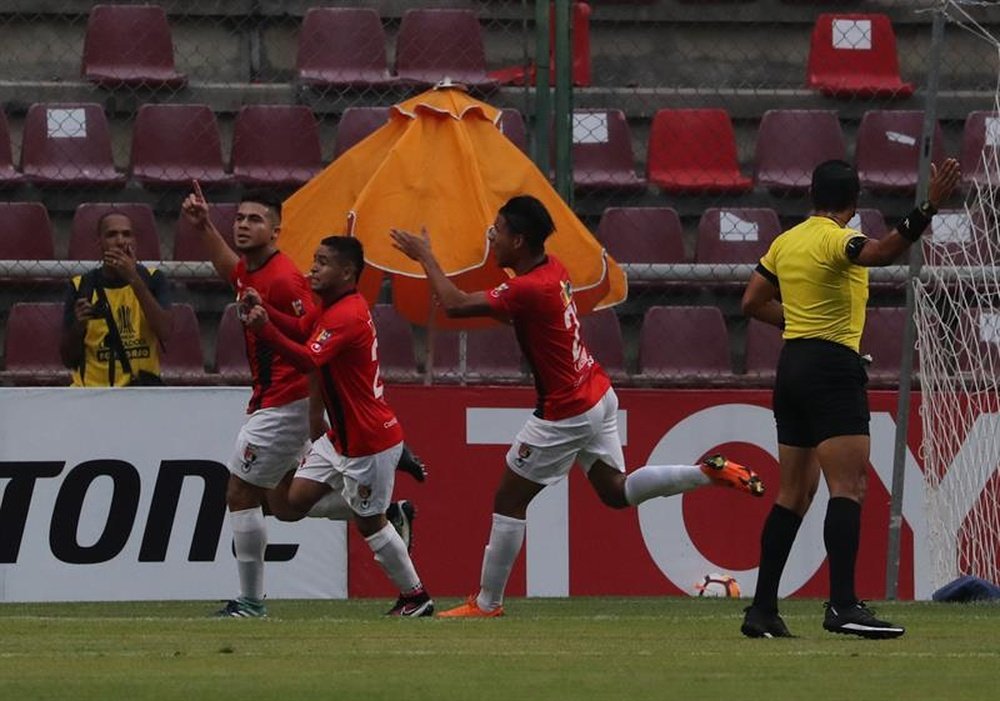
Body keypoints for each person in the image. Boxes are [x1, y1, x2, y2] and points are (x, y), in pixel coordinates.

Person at [390, 195, 765, 618]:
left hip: (565, 411)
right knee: (616, 492)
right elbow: (522, 318)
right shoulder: (553, 270)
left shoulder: (528, 287)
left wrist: (425, 256)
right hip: (597, 393)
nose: (491, 237)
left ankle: (487, 603)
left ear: (519, 239)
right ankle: (704, 473)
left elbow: (455, 304)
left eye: (497, 230)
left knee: (508, 501)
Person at [739, 157, 962, 639]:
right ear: (854, 202)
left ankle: (761, 610)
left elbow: (751, 301)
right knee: (849, 486)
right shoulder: (837, 238)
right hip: (830, 368)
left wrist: (798, 322)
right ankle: (842, 605)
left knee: (792, 493)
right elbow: (881, 253)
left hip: (792, 366)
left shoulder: (786, 240)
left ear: (812, 197)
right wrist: (929, 206)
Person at [180, 184, 423, 618]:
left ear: (275, 231)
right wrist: (203, 228)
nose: (242, 225)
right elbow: (235, 276)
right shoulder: (256, 273)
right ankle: (385, 512)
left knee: (239, 491)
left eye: (254, 219)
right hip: (283, 403)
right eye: (238, 218)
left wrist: (312, 412)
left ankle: (252, 603)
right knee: (283, 504)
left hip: (286, 401)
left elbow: (313, 351)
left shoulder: (288, 279)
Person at [243, 236, 434, 617]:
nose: (312, 268)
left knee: (369, 525)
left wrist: (264, 330)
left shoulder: (346, 315)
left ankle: (415, 596)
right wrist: (266, 311)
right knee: (289, 504)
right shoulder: (329, 306)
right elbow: (300, 328)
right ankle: (387, 508)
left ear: (347, 272)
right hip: (340, 439)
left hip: (368, 443)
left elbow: (306, 360)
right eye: (314, 260)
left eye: (323, 262)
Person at [60, 210, 174, 387]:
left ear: (135, 242)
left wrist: (133, 278)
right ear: (100, 242)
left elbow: (165, 331)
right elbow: (68, 360)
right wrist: (78, 327)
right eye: (112, 235)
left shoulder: (153, 279)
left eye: (126, 234)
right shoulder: (81, 285)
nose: (120, 241)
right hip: (93, 393)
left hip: (140, 393)